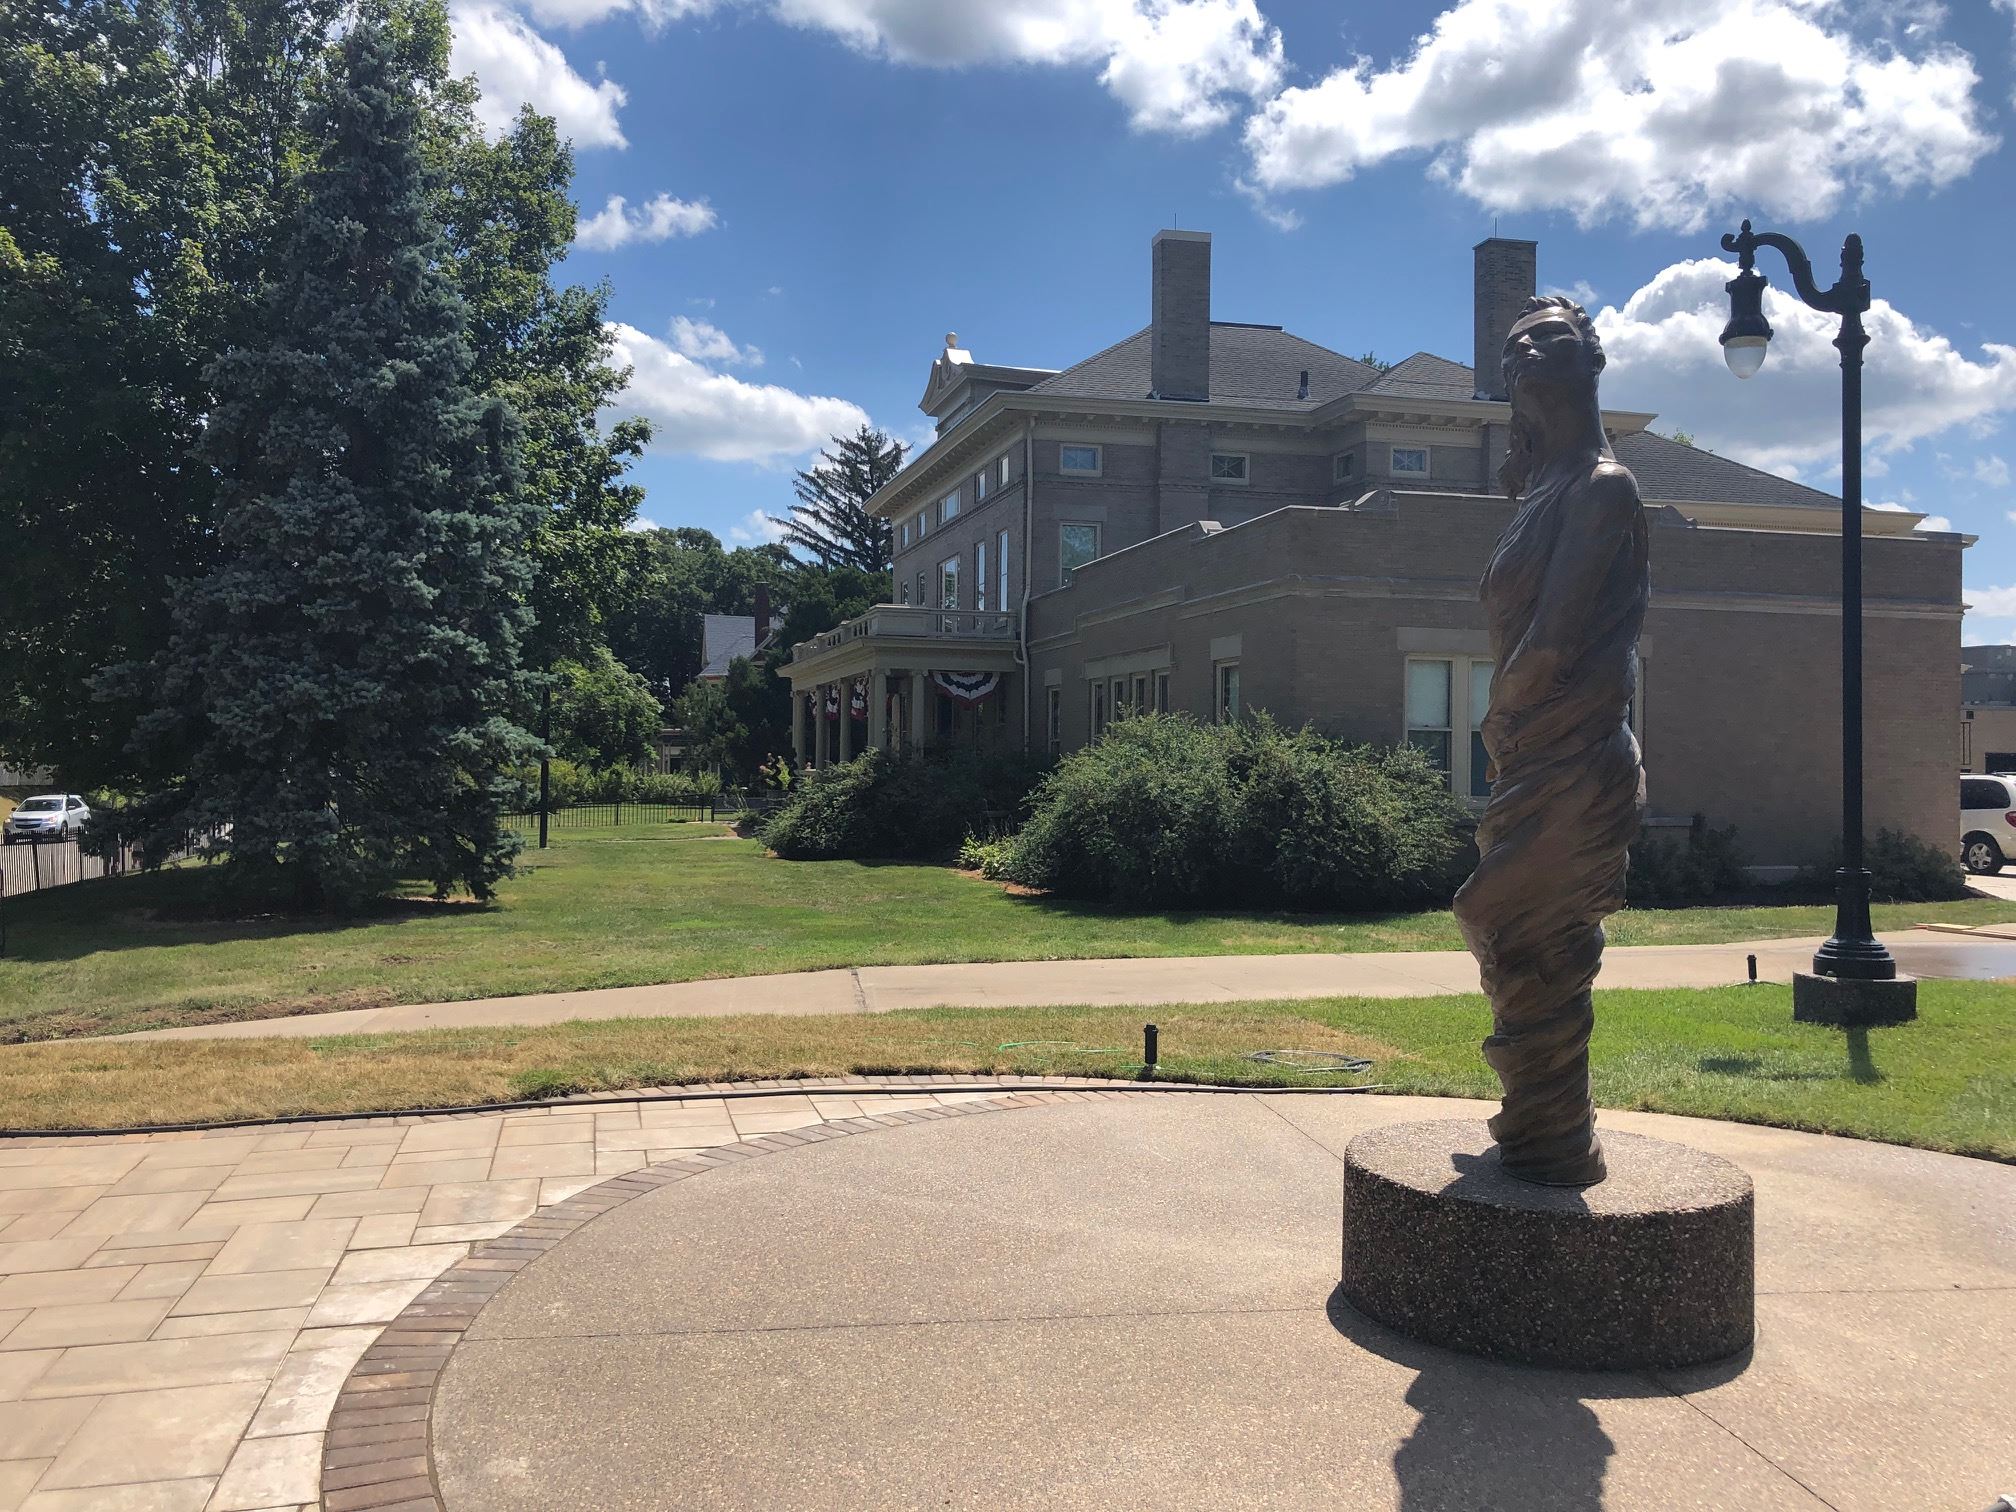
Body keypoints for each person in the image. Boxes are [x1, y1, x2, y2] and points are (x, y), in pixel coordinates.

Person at [1452, 295, 1649, 1187]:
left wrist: (1501, 712)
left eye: (1554, 335)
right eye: (1517, 343)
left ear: (1591, 359)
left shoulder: (1604, 488)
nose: (1532, 346)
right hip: (1532, 753)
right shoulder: (1540, 492)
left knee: (1502, 916)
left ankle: (1551, 1131)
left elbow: (1560, 639)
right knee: (1525, 932)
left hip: (1573, 754)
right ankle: (1544, 1129)